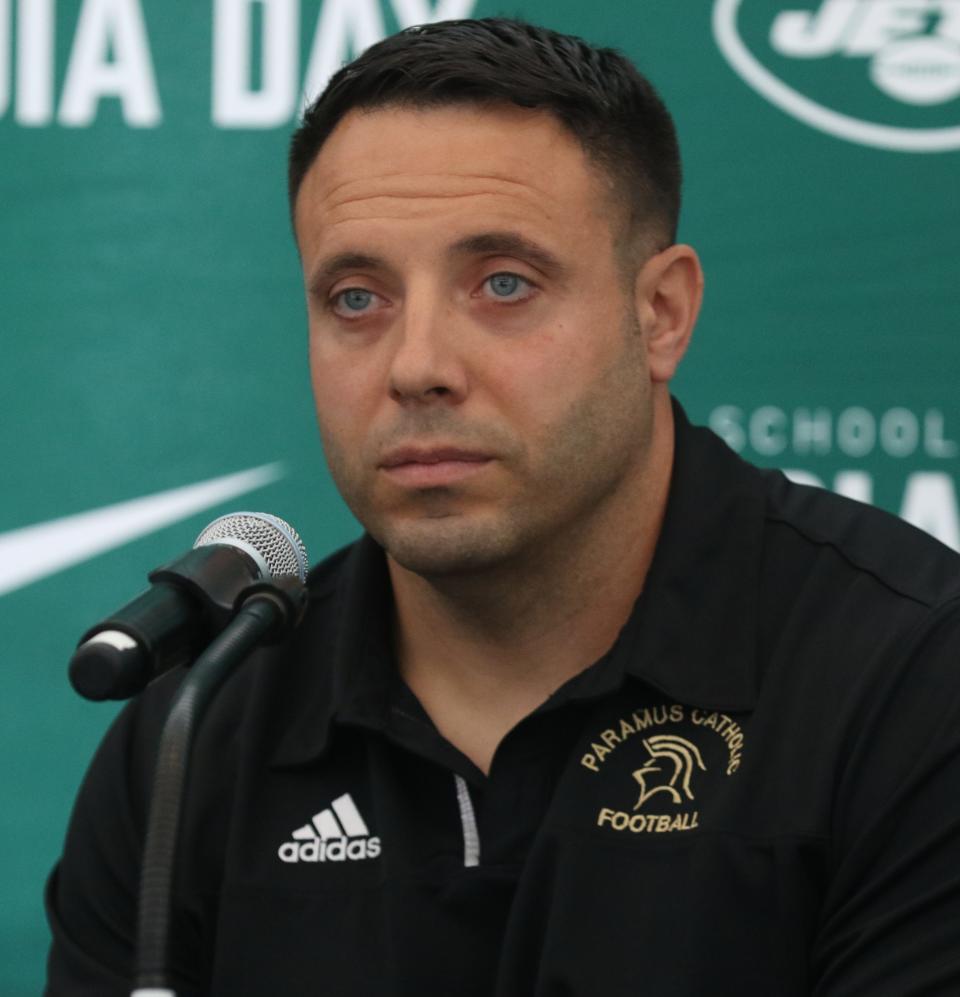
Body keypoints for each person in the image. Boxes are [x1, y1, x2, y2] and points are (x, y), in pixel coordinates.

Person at [45, 17, 960, 996]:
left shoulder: (911, 677)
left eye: (505, 283)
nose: (419, 366)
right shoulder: (199, 730)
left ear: (660, 315)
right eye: (358, 298)